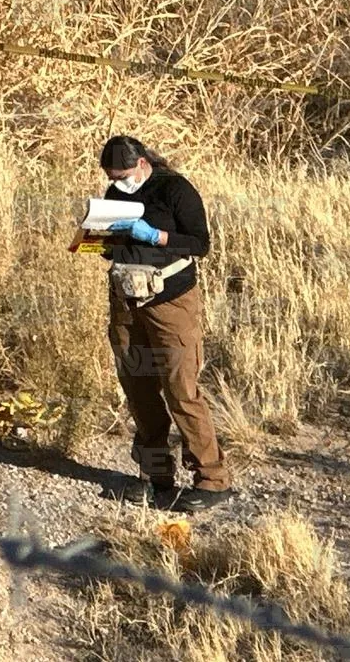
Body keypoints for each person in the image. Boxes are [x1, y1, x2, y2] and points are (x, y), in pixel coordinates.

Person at [100, 134, 233, 512]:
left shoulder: (176, 190)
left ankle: (211, 478)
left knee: (181, 390)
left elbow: (199, 244)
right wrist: (97, 238)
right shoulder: (115, 194)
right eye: (113, 176)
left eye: (124, 174)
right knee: (139, 389)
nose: (119, 182)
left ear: (142, 164)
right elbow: (108, 247)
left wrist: (155, 236)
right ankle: (154, 475)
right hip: (127, 301)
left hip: (170, 301)